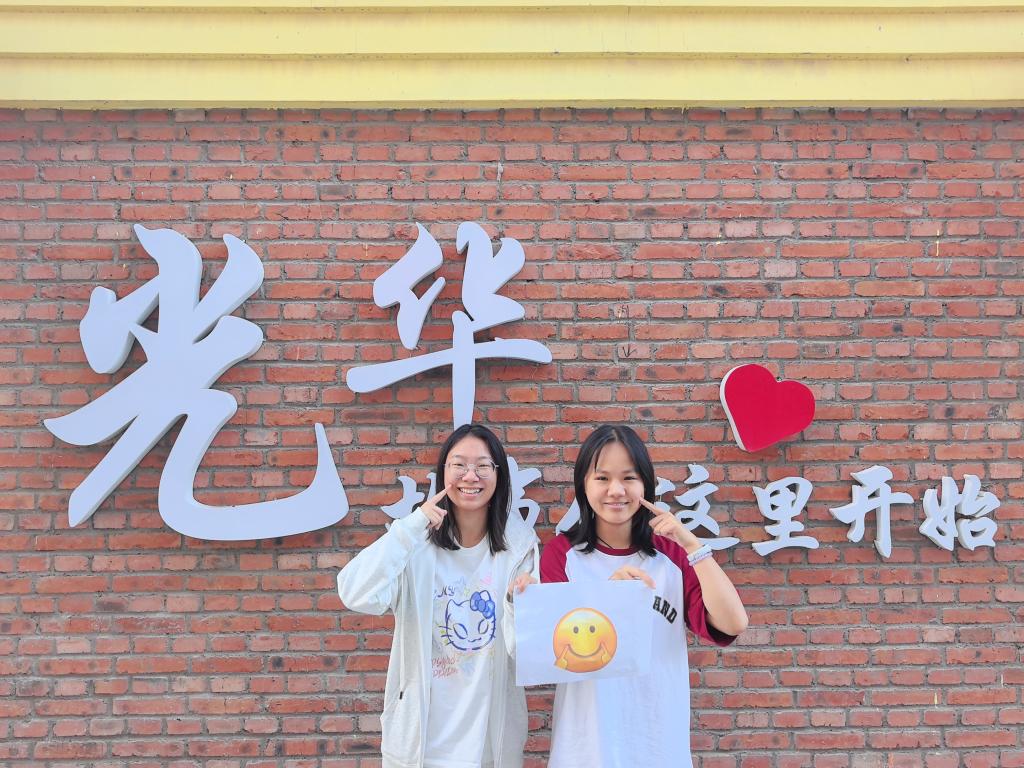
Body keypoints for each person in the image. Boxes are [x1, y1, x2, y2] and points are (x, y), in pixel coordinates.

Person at [540, 424, 748, 768]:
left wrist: (692, 545)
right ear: (583, 485)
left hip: (657, 744)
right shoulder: (562, 554)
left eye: (629, 478)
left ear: (646, 485)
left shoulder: (671, 555)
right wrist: (611, 597)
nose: (616, 490)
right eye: (602, 478)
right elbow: (555, 651)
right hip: (587, 748)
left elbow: (733, 622)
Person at [337, 423, 538, 768]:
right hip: (420, 747)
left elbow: (527, 653)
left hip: (489, 749)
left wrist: (515, 604)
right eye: (459, 465)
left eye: (483, 466)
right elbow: (354, 592)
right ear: (443, 472)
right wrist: (409, 528)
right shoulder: (415, 545)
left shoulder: (519, 549)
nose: (470, 476)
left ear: (499, 475)